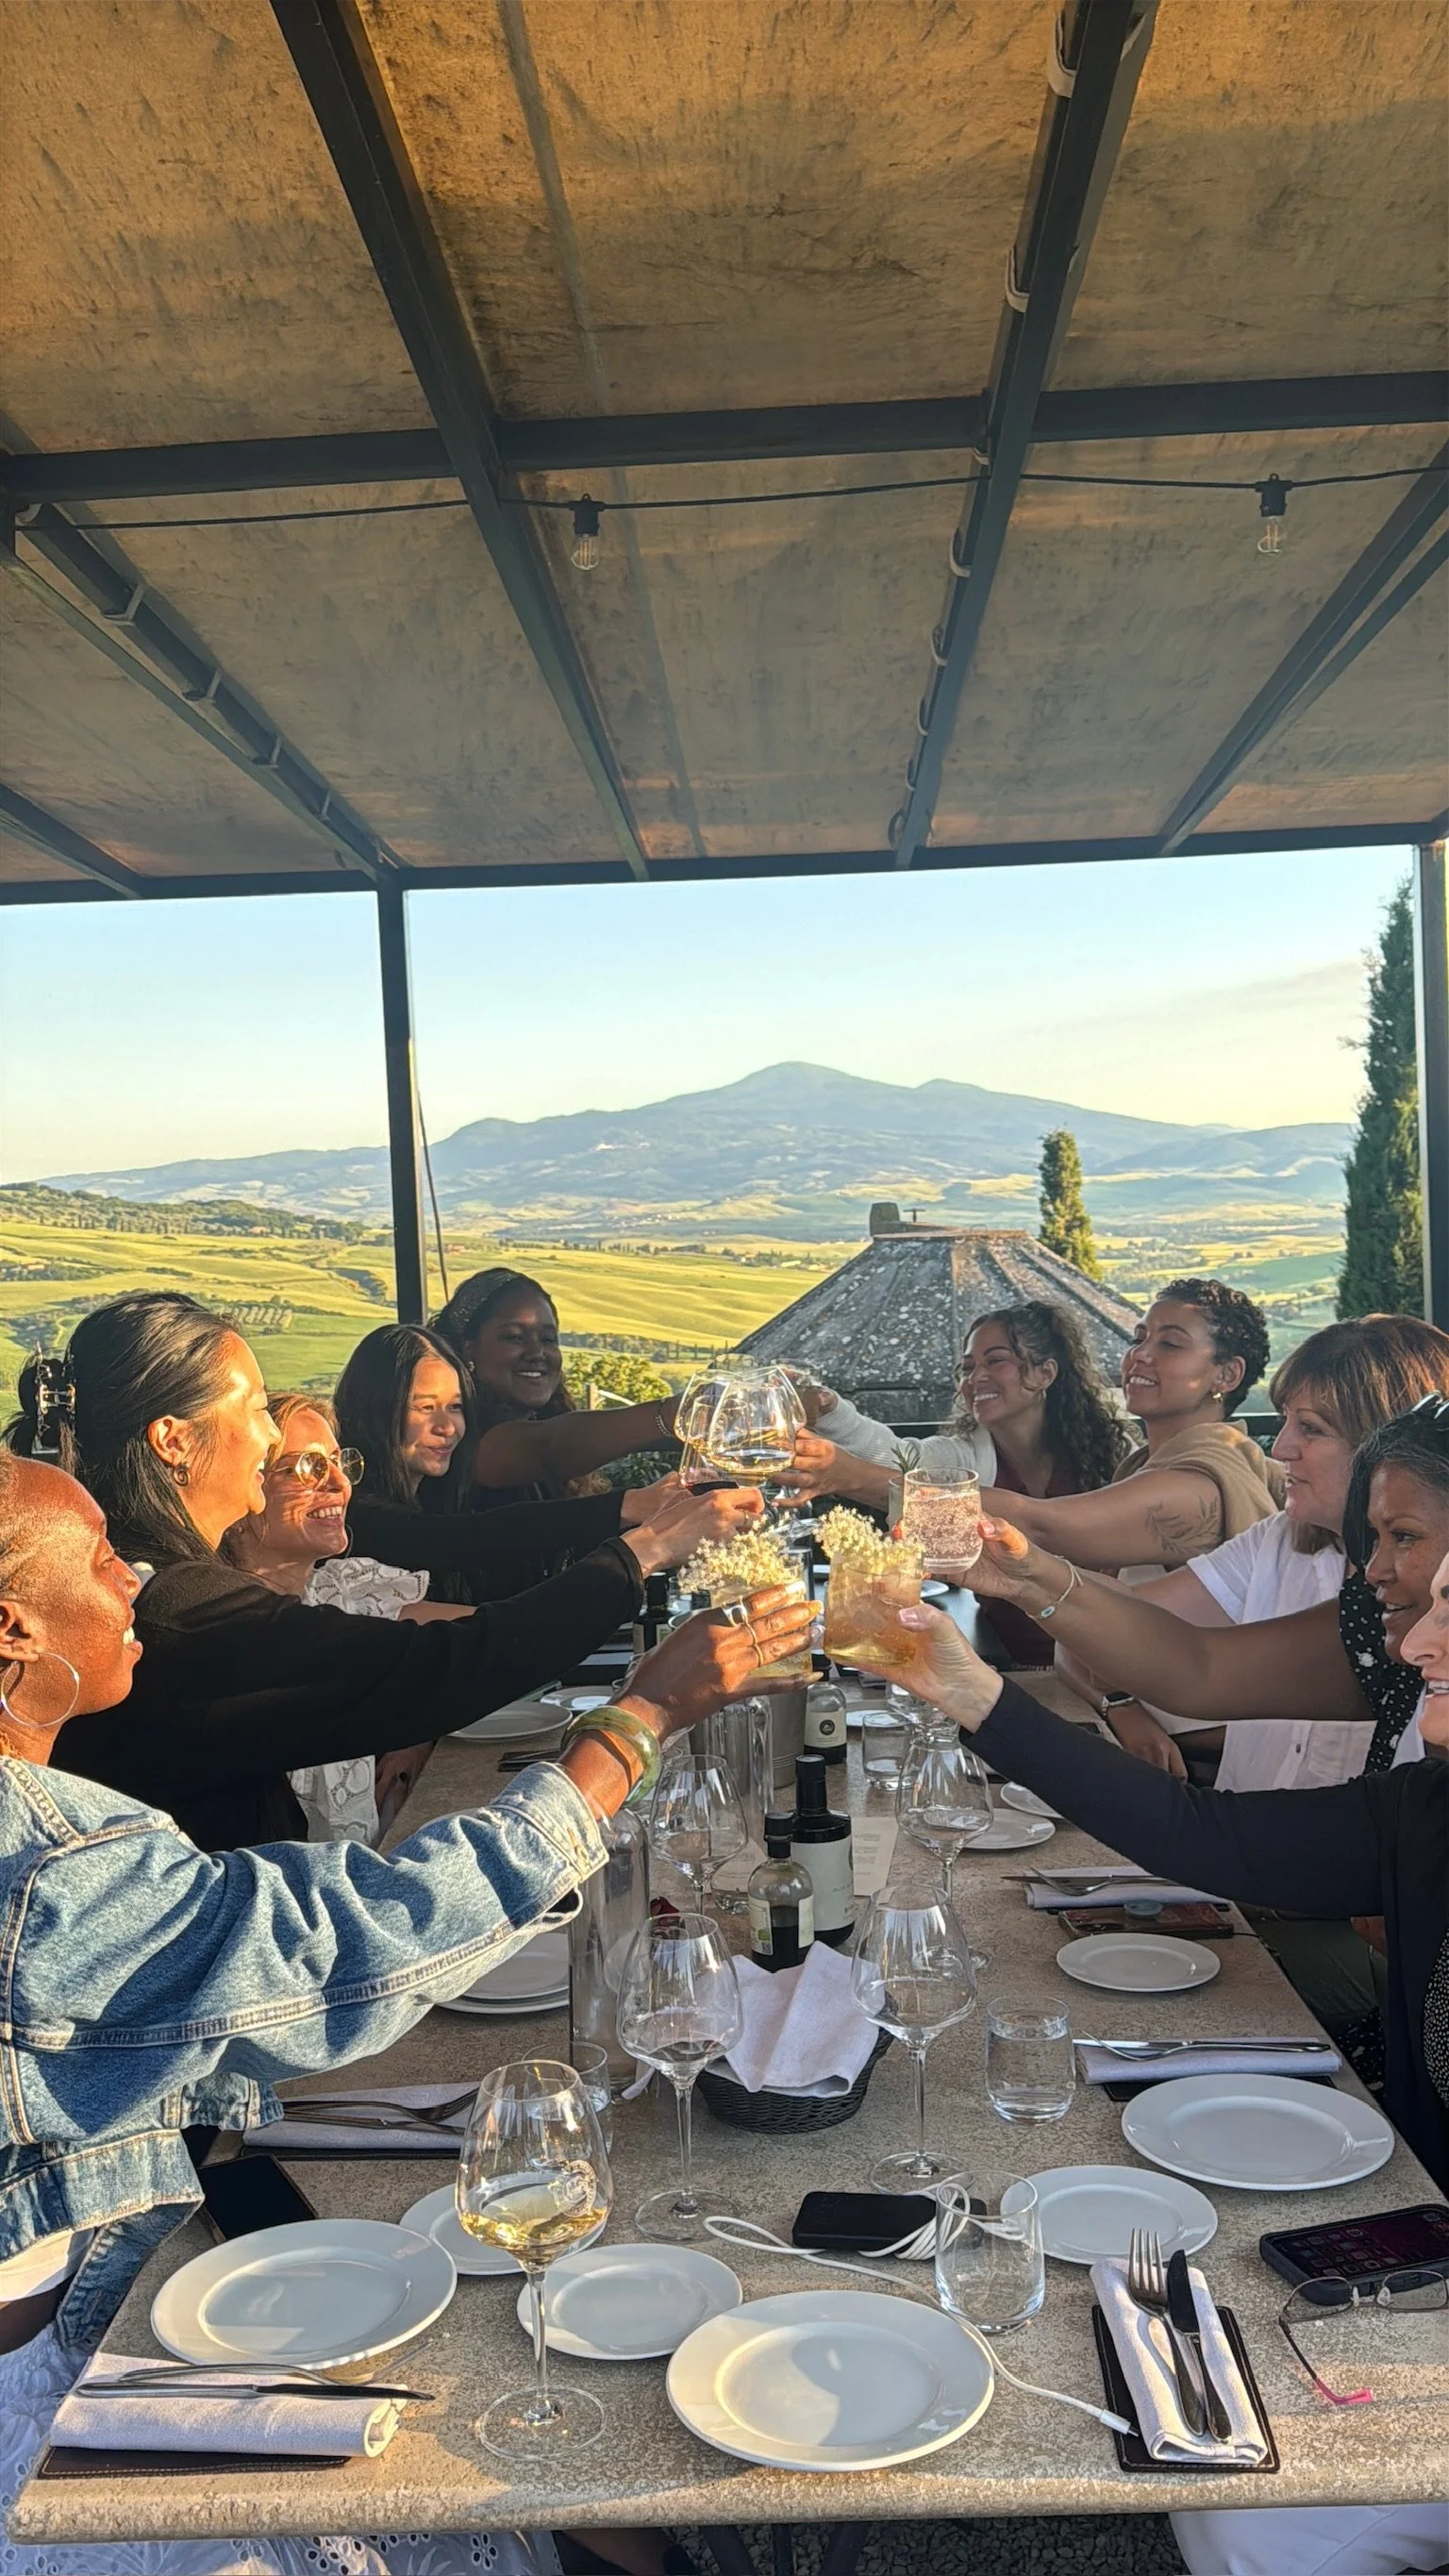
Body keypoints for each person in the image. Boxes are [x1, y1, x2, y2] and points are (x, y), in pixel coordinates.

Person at [0, 1450, 811, 2576]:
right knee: (505, 2461)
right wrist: (641, 1718)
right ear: (13, 1633)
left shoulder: (60, 1814)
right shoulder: (44, 1867)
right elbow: (354, 1941)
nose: (132, 1578)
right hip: (53, 2420)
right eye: (97, 1562)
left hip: (116, 2289)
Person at [846, 1553, 1449, 2576]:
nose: (1413, 1644)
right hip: (1415, 2250)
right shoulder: (1426, 1804)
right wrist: (967, 1688)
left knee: (1252, 2522)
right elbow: (1197, 1831)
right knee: (1184, 2406)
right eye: (1433, 1606)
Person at [8, 1296, 758, 1852]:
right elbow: (435, 1665)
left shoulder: (165, 1581)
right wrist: (643, 1557)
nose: (270, 1434)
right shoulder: (172, 1606)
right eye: (256, 1409)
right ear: (174, 1440)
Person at [1078, 1314, 1449, 1785]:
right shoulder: (1279, 1541)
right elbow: (1102, 1631)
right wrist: (1121, 1706)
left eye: (1310, 1429)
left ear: (1385, 1443)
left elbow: (1195, 1672)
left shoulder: (1402, 1613)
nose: (1282, 1448)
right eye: (1284, 1422)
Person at [790, 1301, 1128, 1663]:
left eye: (995, 1361)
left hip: (1110, 1666)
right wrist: (829, 1409)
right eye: (967, 1368)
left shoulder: (1115, 1454)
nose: (976, 1377)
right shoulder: (966, 1457)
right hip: (1010, 1665)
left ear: (1045, 1373)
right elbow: (896, 1456)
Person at [335, 1321, 755, 1603]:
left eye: (457, 1407)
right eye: (425, 1408)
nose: (448, 1427)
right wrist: (630, 1509)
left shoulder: (442, 1493)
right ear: (377, 1409)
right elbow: (458, 1540)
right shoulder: (350, 1510)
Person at [225, 1393, 466, 1844]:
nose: (340, 1484)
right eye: (310, 1467)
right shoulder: (214, 1622)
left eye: (339, 1463)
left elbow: (492, 1638)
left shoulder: (343, 1589)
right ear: (247, 1486)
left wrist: (418, 1731)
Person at [971, 1279, 1282, 1576]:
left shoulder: (1197, 1487)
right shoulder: (1145, 1465)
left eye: (1171, 1344)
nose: (1139, 1354)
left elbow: (1042, 1527)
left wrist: (931, 1495)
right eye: (1138, 1339)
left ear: (1227, 1375)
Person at [431, 1269, 684, 1502]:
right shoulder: (458, 1439)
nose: (537, 1352)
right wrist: (674, 1414)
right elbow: (546, 1447)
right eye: (514, 1337)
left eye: (548, 1339)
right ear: (468, 1347)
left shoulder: (549, 1428)